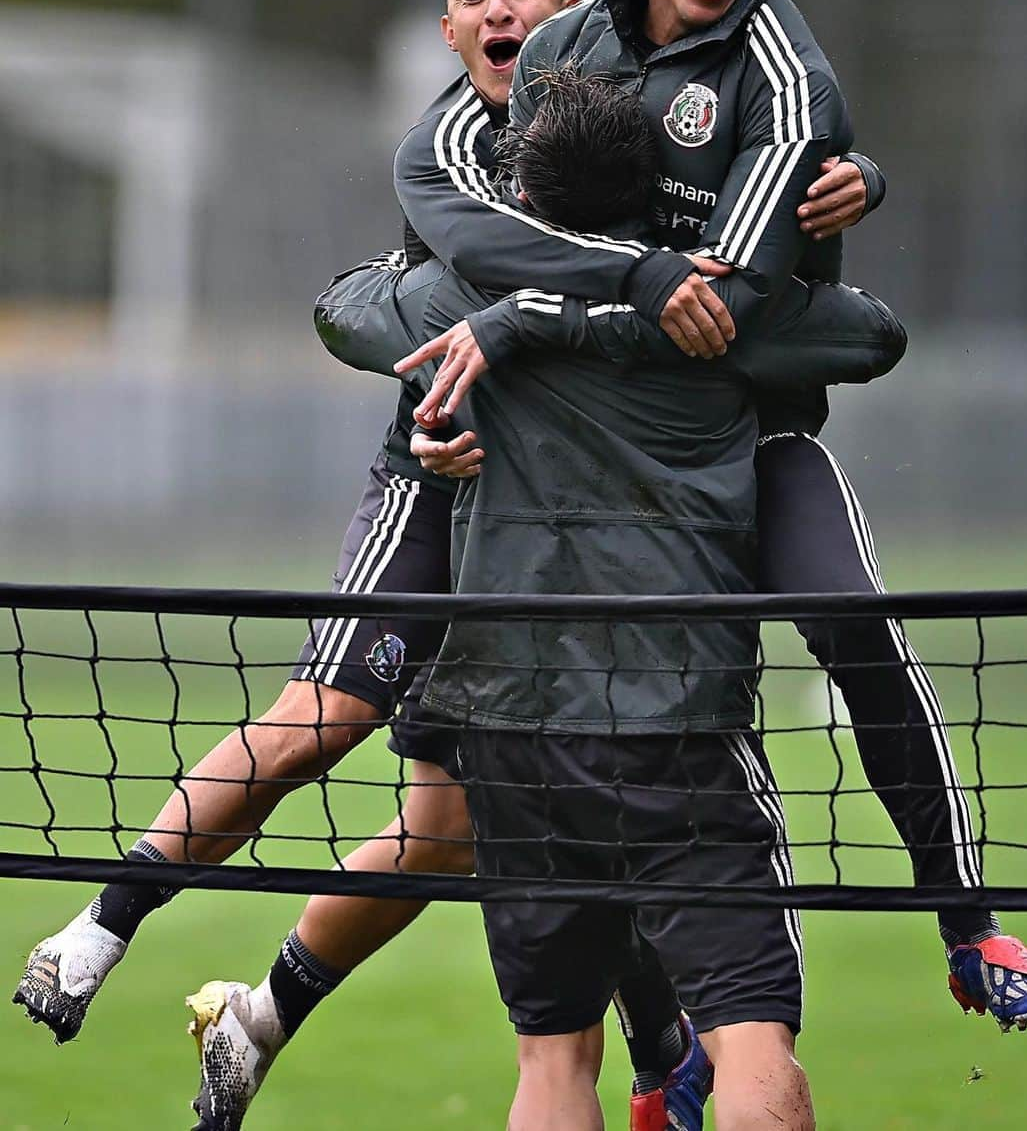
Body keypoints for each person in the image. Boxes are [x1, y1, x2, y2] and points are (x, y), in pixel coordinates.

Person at [13, 0, 870, 1131]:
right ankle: (97, 930)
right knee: (326, 723)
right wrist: (432, 387)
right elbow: (375, 298)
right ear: (450, 26)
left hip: (573, 518)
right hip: (443, 472)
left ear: (569, 11)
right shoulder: (456, 142)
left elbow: (789, 262)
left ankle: (266, 1023)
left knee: (461, 821)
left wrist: (853, 183)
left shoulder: (624, 121)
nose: (499, 6)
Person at [396, 0, 1027, 1058]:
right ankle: (676, 1057)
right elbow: (456, 203)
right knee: (610, 739)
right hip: (597, 466)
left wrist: (547, 306)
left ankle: (970, 922)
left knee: (854, 628)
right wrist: (567, 297)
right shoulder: (560, 44)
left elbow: (736, 296)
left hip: (750, 440)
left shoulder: (784, 73)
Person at [306, 65, 906, 1131]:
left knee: (553, 1063)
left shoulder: (462, 299)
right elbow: (871, 334)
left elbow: (345, 310)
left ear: (522, 200)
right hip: (678, 729)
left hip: (513, 734)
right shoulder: (721, 314)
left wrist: (522, 295)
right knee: (750, 1041)